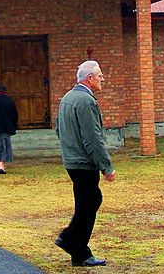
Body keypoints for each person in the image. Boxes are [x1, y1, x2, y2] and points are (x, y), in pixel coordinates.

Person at [54, 60, 116, 268]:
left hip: (71, 160)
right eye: (99, 75)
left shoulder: (67, 99)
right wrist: (106, 166)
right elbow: (93, 138)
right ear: (89, 78)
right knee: (89, 202)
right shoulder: (86, 101)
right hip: (84, 162)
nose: (102, 79)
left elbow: (58, 131)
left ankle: (77, 249)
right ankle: (72, 242)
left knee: (89, 201)